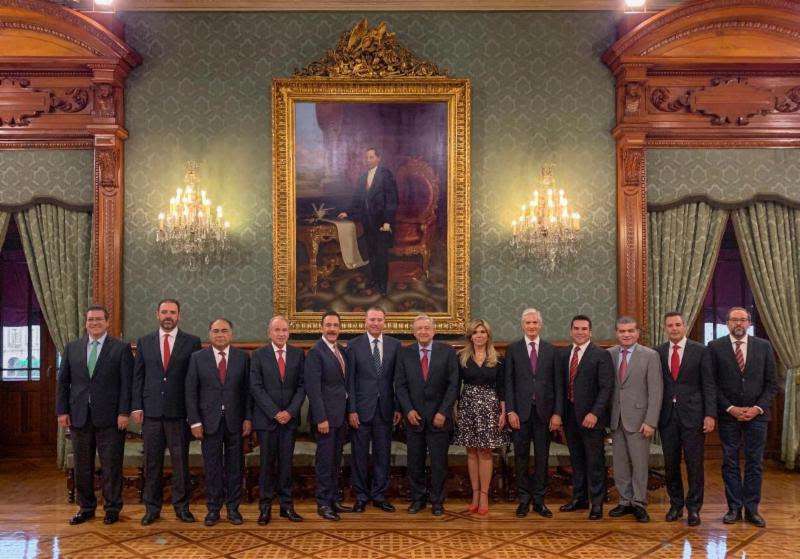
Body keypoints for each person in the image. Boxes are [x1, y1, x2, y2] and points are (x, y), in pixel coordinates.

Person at [56, 305, 134, 525]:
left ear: (107, 322)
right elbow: (63, 382)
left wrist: (124, 412)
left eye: (99, 319)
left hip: (111, 418)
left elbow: (127, 384)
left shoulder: (120, 349)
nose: (94, 323)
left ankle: (112, 508)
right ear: (86, 323)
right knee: (82, 466)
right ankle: (86, 508)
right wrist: (62, 411)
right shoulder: (72, 348)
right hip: (79, 416)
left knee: (111, 466)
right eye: (90, 319)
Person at [131, 299, 202, 525]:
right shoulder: (144, 342)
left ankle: (182, 508)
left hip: (179, 413)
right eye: (164, 312)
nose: (168, 316)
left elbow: (195, 380)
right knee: (152, 463)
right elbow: (138, 377)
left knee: (180, 464)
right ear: (157, 314)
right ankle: (152, 509)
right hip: (151, 413)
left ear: (179, 315)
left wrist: (194, 414)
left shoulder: (192, 342)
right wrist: (136, 406)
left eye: (172, 312)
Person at [708, 307, 778, 528]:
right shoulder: (715, 347)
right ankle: (734, 508)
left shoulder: (764, 346)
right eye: (734, 320)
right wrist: (730, 408)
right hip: (729, 416)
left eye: (742, 319)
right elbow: (711, 384)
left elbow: (772, 384)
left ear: (749, 323)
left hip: (757, 416)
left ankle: (752, 510)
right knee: (730, 462)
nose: (738, 323)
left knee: (754, 463)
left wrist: (757, 408)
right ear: (727, 323)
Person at [185, 318, 252, 526]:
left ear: (231, 334)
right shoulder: (197, 358)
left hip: (236, 422)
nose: (220, 334)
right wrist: (194, 422)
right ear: (210, 334)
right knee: (212, 467)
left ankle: (233, 509)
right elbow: (190, 392)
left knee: (235, 467)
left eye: (224, 330)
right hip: (208, 423)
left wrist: (248, 418)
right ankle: (213, 509)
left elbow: (248, 391)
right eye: (216, 331)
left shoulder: (243, 357)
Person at [395, 314, 459, 516]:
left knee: (439, 463)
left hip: (439, 419)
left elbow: (453, 385)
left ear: (434, 331)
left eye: (427, 328)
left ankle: (437, 501)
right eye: (419, 329)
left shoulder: (447, 352)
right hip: (414, 418)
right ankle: (418, 499)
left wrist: (443, 412)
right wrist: (408, 410)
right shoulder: (404, 353)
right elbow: (400, 386)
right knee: (415, 462)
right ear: (414, 333)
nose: (423, 331)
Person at [657, 311, 716, 526]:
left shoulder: (700, 351)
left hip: (694, 416)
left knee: (694, 464)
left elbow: (709, 384)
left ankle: (694, 509)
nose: (674, 328)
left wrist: (710, 414)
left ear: (684, 326)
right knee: (671, 464)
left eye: (677, 325)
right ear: (665, 328)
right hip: (667, 417)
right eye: (670, 325)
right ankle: (675, 505)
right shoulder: (658, 352)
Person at [504, 308, 562, 518]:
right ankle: (523, 500)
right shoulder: (513, 349)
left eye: (535, 322)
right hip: (520, 413)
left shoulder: (551, 350)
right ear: (522, 325)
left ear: (540, 325)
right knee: (520, 457)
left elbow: (558, 385)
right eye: (528, 323)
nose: (531, 326)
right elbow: (508, 383)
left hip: (544, 414)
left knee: (542, 458)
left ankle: (539, 500)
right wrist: (510, 410)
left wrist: (557, 413)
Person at [250, 315, 305, 524]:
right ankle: (265, 508)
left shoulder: (298, 354)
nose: (281, 334)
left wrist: (289, 412)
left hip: (289, 421)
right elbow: (255, 387)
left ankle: (286, 507)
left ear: (289, 333)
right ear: (269, 333)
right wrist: (275, 412)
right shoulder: (258, 355)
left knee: (286, 465)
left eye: (284, 330)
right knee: (267, 465)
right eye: (277, 330)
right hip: (267, 421)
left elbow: (302, 386)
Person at [346, 306, 402, 513]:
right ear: (365, 321)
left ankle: (379, 495)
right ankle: (361, 496)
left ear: (385, 322)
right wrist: (351, 409)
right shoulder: (353, 345)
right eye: (372, 319)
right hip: (360, 410)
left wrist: (397, 407)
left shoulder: (395, 345)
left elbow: (398, 380)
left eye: (379, 319)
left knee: (383, 454)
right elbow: (350, 381)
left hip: (385, 409)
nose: (376, 323)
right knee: (359, 455)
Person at [607, 316, 663, 523]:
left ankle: (639, 502)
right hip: (615, 419)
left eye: (630, 331)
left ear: (638, 333)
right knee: (620, 463)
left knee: (639, 464)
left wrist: (651, 421)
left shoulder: (650, 355)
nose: (626, 334)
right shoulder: (609, 354)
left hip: (640, 420)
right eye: (622, 331)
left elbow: (656, 391)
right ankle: (624, 500)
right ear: (617, 333)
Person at [558, 315, 614, 520]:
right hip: (570, 417)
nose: (580, 332)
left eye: (584, 329)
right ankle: (579, 499)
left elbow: (606, 388)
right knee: (577, 460)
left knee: (595, 462)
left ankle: (596, 504)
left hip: (592, 418)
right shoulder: (564, 354)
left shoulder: (601, 355)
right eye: (576, 328)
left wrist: (595, 413)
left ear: (590, 331)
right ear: (571, 330)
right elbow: (560, 387)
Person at [452, 318, 508, 516]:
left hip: (490, 407)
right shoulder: (461, 357)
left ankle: (484, 495)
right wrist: (455, 407)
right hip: (467, 406)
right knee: (471, 452)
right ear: (470, 336)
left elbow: (503, 387)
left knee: (485, 452)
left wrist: (503, 411)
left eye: (483, 332)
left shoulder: (498, 358)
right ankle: (474, 495)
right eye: (475, 332)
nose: (479, 336)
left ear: (488, 335)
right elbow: (455, 384)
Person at [305, 311, 353, 521]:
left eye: (335, 325)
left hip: (340, 417)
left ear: (340, 329)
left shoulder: (341, 350)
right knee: (325, 462)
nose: (332, 329)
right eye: (328, 325)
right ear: (321, 328)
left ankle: (333, 500)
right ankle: (323, 504)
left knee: (335, 461)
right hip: (325, 419)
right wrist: (321, 418)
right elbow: (313, 389)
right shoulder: (316, 352)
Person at [337, 147, 398, 296]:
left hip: (382, 223)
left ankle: (382, 285)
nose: (368, 160)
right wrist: (347, 212)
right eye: (367, 158)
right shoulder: (363, 176)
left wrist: (387, 221)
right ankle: (374, 280)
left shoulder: (386, 174)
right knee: (371, 253)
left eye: (371, 157)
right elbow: (357, 198)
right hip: (367, 221)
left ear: (378, 158)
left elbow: (392, 200)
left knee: (382, 255)